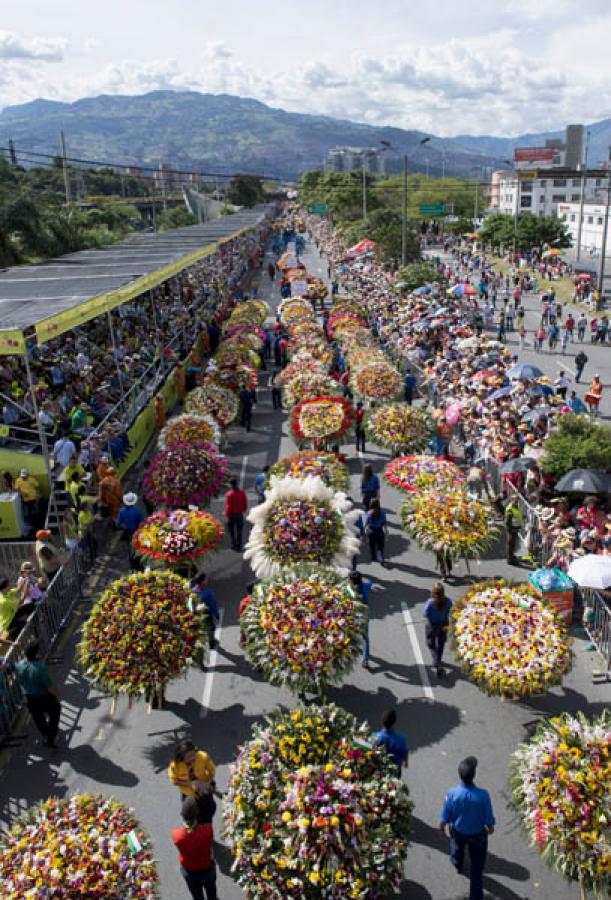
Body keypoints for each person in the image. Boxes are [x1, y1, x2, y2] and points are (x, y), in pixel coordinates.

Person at [440, 756, 495, 900]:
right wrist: (490, 826)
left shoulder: (452, 793)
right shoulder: (483, 795)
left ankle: (457, 863)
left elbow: (446, 812)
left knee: (457, 847)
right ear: (474, 775)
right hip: (478, 835)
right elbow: (487, 814)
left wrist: (442, 825)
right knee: (477, 866)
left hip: (458, 831)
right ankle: (476, 896)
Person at [15, 641, 61, 749]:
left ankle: (46, 734)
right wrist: (57, 696)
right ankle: (51, 735)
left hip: (29, 698)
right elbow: (50, 687)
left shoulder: (19, 666)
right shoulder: (40, 668)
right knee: (55, 712)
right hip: (43, 697)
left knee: (38, 719)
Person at [171, 796, 218, 900]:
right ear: (197, 814)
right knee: (211, 892)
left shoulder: (176, 835)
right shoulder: (207, 829)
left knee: (197, 896)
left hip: (189, 871)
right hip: (207, 867)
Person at [168, 738, 217, 805]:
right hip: (188, 794)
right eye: (188, 756)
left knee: (209, 809)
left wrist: (207, 783)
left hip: (204, 790)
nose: (192, 757)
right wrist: (191, 784)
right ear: (182, 756)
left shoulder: (202, 756)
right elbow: (174, 781)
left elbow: (212, 771)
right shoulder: (175, 765)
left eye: (193, 754)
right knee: (190, 813)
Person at [423, 582, 452, 677]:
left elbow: (425, 614)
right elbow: (450, 611)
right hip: (444, 624)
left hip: (432, 625)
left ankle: (437, 663)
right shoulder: (448, 601)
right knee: (441, 643)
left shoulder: (430, 602)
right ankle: (438, 660)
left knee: (431, 643)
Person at [374, 709, 409, 777]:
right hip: (395, 771)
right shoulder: (401, 739)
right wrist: (406, 762)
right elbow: (405, 752)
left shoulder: (375, 737)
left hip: (379, 772)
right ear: (394, 722)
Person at [349, 571, 373, 669]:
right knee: (365, 637)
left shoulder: (349, 589)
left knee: (351, 631)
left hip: (352, 613)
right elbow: (369, 581)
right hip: (364, 613)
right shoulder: (366, 585)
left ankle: (352, 648)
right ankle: (365, 659)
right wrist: (361, 578)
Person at [192, 573, 220, 654]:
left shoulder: (192, 591)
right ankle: (211, 643)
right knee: (211, 628)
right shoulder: (207, 593)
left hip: (196, 616)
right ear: (202, 581)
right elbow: (213, 605)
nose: (207, 580)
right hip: (206, 616)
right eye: (205, 579)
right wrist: (217, 615)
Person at [115, 492, 144, 568]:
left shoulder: (122, 511)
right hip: (136, 531)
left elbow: (117, 524)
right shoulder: (137, 511)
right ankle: (137, 561)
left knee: (129, 547)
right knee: (137, 547)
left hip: (127, 532)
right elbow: (142, 522)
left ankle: (132, 563)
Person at [224, 477, 248, 551]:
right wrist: (243, 509)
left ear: (231, 485)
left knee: (231, 530)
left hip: (232, 515)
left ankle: (233, 544)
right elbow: (245, 502)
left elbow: (228, 506)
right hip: (239, 514)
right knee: (239, 531)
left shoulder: (229, 494)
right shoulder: (241, 492)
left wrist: (227, 515)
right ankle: (239, 545)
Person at [365, 499, 388, 565]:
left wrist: (364, 533)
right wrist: (386, 534)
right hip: (379, 531)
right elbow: (385, 525)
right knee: (380, 545)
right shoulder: (382, 513)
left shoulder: (369, 513)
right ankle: (380, 555)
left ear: (371, 505)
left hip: (371, 531)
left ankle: (373, 557)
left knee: (372, 545)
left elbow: (366, 524)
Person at [504, 496, 524, 565]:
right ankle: (510, 560)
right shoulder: (510, 509)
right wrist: (510, 530)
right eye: (514, 500)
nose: (516, 501)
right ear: (511, 500)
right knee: (511, 544)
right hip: (512, 529)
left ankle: (511, 556)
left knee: (512, 544)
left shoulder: (515, 506)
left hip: (515, 528)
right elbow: (507, 522)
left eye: (517, 500)